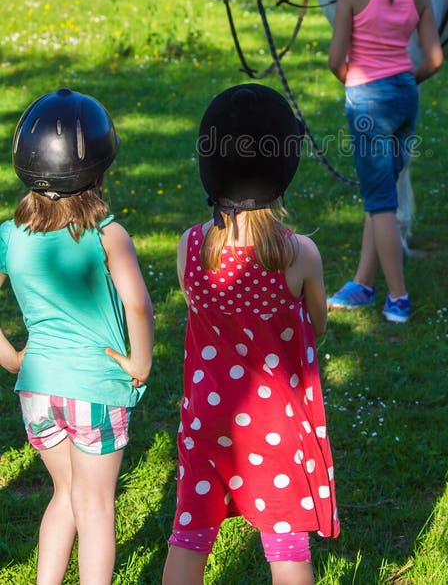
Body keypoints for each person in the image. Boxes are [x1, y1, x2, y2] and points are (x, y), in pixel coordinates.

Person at [162, 84, 339, 585]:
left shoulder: (190, 246)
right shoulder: (298, 253)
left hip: (206, 416)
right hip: (275, 426)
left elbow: (202, 312)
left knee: (190, 536)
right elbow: (318, 325)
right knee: (286, 546)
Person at [0, 87, 154, 585]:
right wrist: (141, 364)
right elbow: (138, 304)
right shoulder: (109, 234)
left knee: (63, 494)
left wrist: (11, 358)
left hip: (38, 390)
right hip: (95, 388)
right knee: (96, 507)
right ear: (99, 170)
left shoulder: (9, 235)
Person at [327, 0, 443, 323]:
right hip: (404, 97)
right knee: (382, 194)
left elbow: (336, 61)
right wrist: (401, 82)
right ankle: (363, 282)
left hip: (367, 103)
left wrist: (358, 82)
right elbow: (433, 61)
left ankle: (397, 296)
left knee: (380, 204)